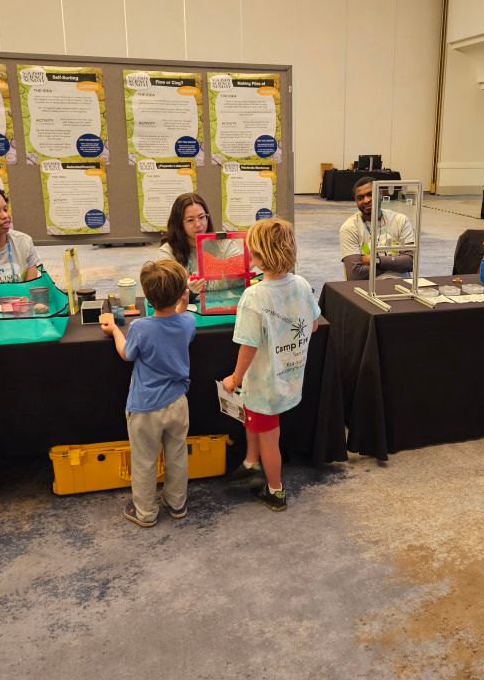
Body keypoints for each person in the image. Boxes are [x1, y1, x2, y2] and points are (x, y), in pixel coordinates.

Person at [222, 218, 320, 511]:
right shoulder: (301, 284)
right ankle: (251, 463)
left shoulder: (254, 296)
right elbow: (313, 326)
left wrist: (235, 378)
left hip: (265, 384)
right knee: (254, 417)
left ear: (259, 256)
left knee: (269, 438)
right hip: (289, 377)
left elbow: (248, 345)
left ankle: (275, 490)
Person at [100, 259, 195, 527]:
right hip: (178, 403)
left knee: (144, 461)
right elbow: (180, 317)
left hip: (145, 408)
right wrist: (182, 302)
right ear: (180, 294)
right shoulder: (188, 322)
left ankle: (145, 513)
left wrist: (116, 330)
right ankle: (177, 504)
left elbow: (126, 353)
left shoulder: (140, 328)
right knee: (176, 454)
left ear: (147, 295)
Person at [156, 192, 243, 299]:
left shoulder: (224, 244)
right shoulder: (167, 252)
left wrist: (247, 265)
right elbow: (164, 291)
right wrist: (185, 288)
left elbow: (239, 281)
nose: (198, 224)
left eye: (202, 217)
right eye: (190, 220)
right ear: (179, 223)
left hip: (222, 308)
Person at [339, 177, 414, 280]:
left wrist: (373, 260)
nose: (366, 200)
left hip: (401, 284)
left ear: (381, 194)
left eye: (370, 194)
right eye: (360, 198)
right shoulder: (349, 228)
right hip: (365, 288)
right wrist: (394, 263)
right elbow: (355, 274)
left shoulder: (400, 220)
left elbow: (410, 262)